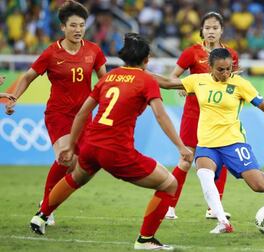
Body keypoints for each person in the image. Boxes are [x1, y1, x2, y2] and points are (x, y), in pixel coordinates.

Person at [29, 33, 193, 250]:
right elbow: (161, 115)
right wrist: (181, 146)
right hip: (116, 151)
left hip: (91, 146)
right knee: (169, 184)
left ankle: (41, 216)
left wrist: (71, 145)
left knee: (77, 177)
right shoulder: (147, 80)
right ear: (147, 60)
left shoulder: (109, 77)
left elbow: (82, 113)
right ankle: (145, 240)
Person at [153, 48, 264, 233]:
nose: (226, 73)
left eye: (229, 69)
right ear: (210, 67)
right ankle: (223, 222)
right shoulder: (198, 81)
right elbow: (165, 82)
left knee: (261, 187)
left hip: (233, 143)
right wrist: (136, 71)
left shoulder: (240, 84)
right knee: (204, 174)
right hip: (206, 144)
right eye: (221, 69)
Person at [5, 0, 107, 225]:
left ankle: (48, 205)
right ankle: (45, 209)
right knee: (65, 157)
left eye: (81, 25)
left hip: (84, 116)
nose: (78, 29)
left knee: (80, 166)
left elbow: (104, 83)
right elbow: (28, 76)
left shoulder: (94, 51)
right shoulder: (51, 53)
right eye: (73, 25)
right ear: (63, 27)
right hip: (58, 114)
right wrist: (14, 97)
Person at [165, 11, 239, 220]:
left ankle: (214, 208)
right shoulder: (191, 53)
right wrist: (181, 86)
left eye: (215, 28)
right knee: (186, 159)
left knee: (221, 159)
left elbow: (235, 80)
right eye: (207, 28)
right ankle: (169, 207)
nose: (211, 31)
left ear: (221, 30)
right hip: (194, 113)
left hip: (218, 115)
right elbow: (173, 76)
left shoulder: (231, 54)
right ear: (202, 30)